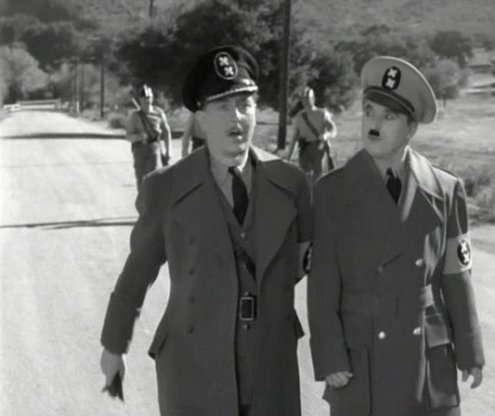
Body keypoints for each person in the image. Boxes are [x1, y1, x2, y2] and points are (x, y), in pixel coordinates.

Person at [99, 45, 312, 416]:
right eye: (222, 107)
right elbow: (136, 275)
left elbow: (303, 264)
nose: (236, 117)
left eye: (245, 104)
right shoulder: (166, 187)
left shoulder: (291, 183)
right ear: (201, 119)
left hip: (270, 364)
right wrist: (114, 346)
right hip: (193, 363)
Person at [307, 56, 485, 416]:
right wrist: (330, 355)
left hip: (426, 356)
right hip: (362, 357)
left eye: (388, 117)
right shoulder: (331, 192)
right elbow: (322, 284)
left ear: (411, 128)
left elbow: (456, 277)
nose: (374, 125)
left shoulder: (446, 189)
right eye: (369, 112)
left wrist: (469, 351)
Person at [286, 87, 337, 183]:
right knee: (305, 177)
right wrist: (288, 158)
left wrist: (326, 135)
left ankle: (317, 191)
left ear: (313, 99)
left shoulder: (322, 114)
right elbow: (294, 138)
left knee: (318, 177)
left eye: (307, 98)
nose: (305, 101)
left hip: (318, 148)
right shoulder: (300, 116)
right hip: (304, 149)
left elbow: (333, 129)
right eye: (303, 99)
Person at [126, 84, 172, 191]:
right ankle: (143, 200)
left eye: (148, 97)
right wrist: (139, 137)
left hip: (154, 148)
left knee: (153, 178)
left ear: (152, 98)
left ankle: (153, 199)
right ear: (140, 99)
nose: (147, 100)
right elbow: (128, 136)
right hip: (139, 149)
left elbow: (166, 131)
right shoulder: (135, 116)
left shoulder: (158, 113)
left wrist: (168, 150)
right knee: (141, 179)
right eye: (144, 98)